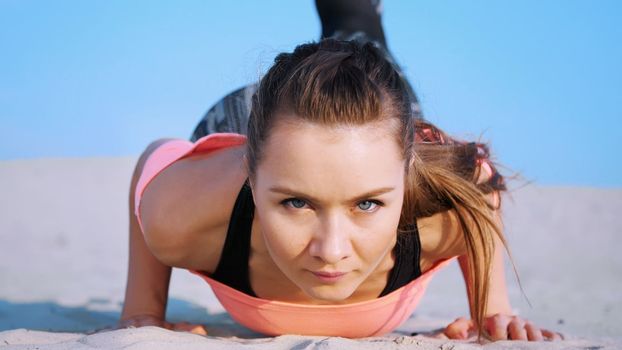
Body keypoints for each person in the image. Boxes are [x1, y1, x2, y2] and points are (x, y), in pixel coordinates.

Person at [118, 0, 561, 342]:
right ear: (249, 179)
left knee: (366, 58)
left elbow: (479, 180)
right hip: (251, 119)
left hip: (373, 137)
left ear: (406, 181)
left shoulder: (447, 212)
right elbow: (155, 162)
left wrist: (492, 308)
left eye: (367, 203)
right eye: (296, 202)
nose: (331, 251)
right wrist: (143, 308)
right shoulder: (181, 218)